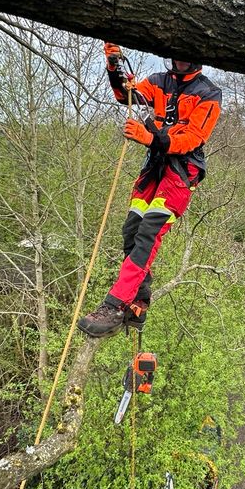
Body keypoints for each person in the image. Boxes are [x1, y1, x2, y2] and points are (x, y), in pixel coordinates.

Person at [78, 43, 222, 337]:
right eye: (177, 57)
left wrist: (149, 138)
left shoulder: (208, 94)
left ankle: (115, 305)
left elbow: (193, 138)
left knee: (148, 234)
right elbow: (126, 96)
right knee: (132, 230)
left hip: (181, 172)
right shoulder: (158, 81)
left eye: (186, 58)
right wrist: (114, 65)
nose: (180, 62)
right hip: (154, 166)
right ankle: (139, 301)